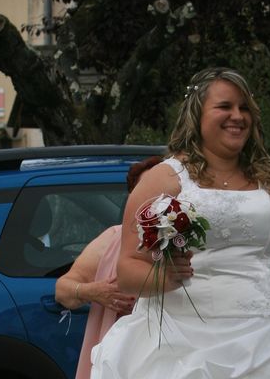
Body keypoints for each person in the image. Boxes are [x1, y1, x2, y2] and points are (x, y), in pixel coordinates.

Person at [91, 67, 270, 378]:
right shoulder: (165, 179)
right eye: (225, 107)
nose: (237, 116)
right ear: (197, 115)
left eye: (244, 108)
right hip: (184, 346)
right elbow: (128, 269)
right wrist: (163, 276)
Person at [55, 156, 162, 379]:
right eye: (145, 189)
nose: (153, 198)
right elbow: (63, 289)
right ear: (133, 197)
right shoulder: (114, 238)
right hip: (122, 354)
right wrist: (92, 291)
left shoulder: (186, 240)